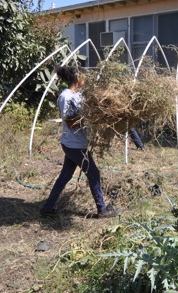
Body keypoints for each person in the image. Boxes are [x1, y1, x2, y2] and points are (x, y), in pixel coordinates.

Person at [40, 66, 120, 219]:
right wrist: (91, 118)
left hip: (78, 142)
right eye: (82, 75)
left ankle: (48, 207)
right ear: (76, 78)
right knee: (94, 173)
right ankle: (102, 210)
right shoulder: (66, 97)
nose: (85, 78)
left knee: (65, 176)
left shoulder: (79, 94)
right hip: (73, 144)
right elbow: (70, 123)